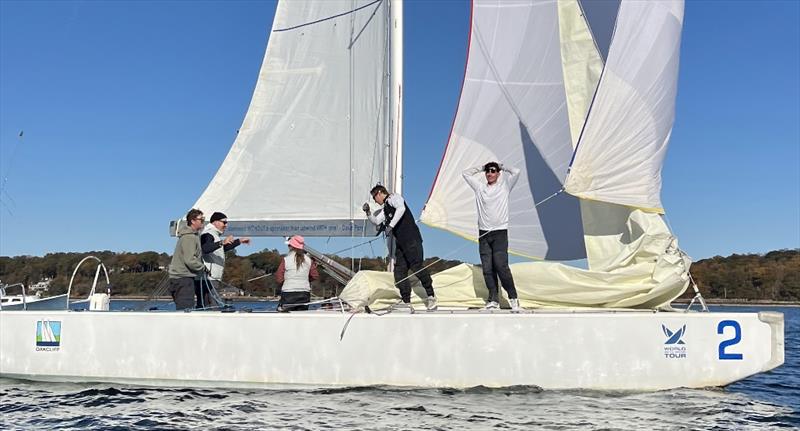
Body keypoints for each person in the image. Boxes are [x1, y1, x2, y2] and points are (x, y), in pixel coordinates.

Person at [363, 184, 437, 312]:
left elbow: (401, 209)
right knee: (399, 272)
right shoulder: (386, 208)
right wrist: (368, 212)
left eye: (375, 198)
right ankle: (406, 301)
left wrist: (390, 226)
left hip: (411, 239)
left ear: (380, 193)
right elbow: (376, 221)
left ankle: (431, 296)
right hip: (401, 244)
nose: (375, 201)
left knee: (416, 267)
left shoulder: (394, 198)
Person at [463, 162, 521, 310]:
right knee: (487, 269)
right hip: (484, 234)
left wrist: (502, 166)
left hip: (500, 232)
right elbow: (466, 173)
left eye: (493, 171)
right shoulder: (480, 188)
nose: (490, 173)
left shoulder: (504, 187)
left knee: (501, 266)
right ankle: (493, 300)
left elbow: (516, 171)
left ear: (498, 173)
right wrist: (481, 167)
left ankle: (513, 298)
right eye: (488, 171)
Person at [197, 212, 251, 308]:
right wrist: (222, 242)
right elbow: (205, 248)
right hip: (209, 278)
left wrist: (239, 241)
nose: (226, 225)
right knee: (213, 307)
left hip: (213, 278)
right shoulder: (208, 234)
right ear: (215, 222)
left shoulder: (213, 234)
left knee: (210, 307)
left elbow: (220, 249)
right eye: (224, 222)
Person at [168, 209, 206, 310]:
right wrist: (203, 268)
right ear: (193, 221)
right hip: (183, 279)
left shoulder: (191, 236)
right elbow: (189, 260)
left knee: (184, 310)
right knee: (185, 311)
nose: (203, 221)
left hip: (179, 279)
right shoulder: (189, 237)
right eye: (201, 219)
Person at [275, 235, 319, 311]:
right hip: (304, 293)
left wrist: (285, 282)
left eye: (289, 245)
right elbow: (314, 275)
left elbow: (279, 277)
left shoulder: (286, 259)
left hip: (288, 293)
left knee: (286, 317)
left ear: (291, 246)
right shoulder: (309, 260)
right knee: (302, 317)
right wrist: (305, 280)